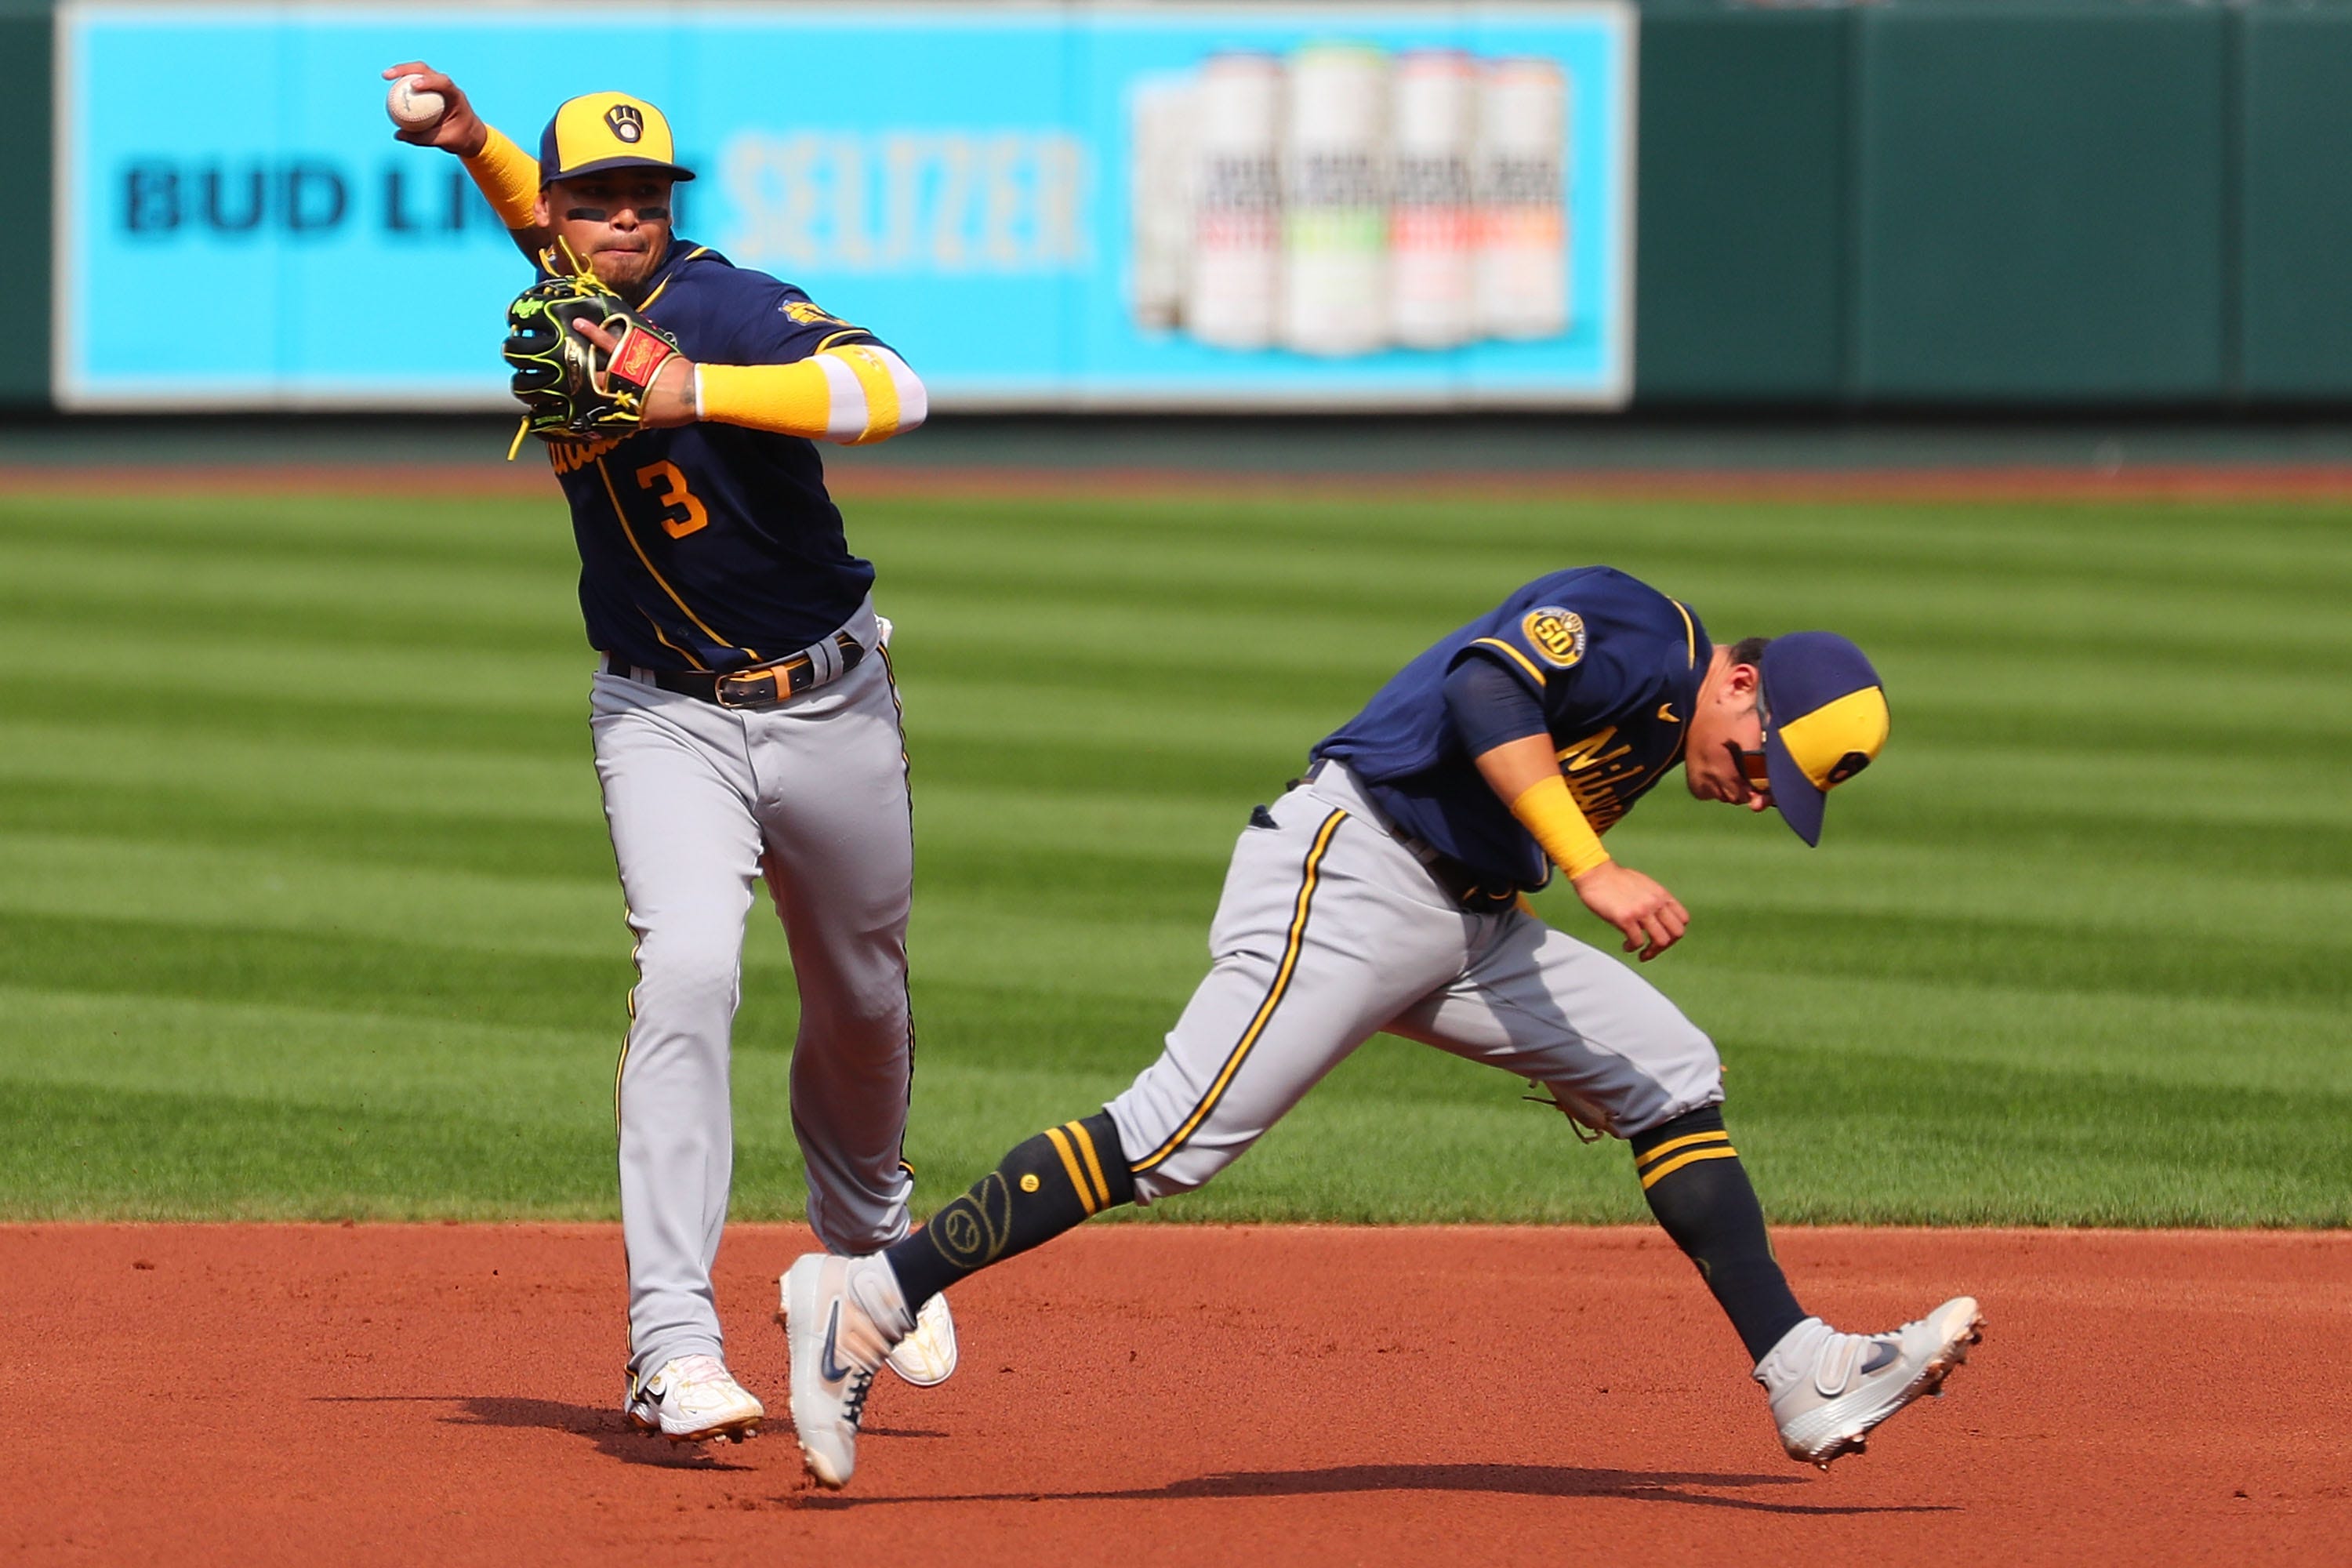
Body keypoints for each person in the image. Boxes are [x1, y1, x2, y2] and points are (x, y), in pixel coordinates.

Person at [776, 566, 1982, 1488]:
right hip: (1352, 873)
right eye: (1771, 764)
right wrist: (1597, 868)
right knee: (1171, 1139)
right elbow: (1482, 685)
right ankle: (871, 1299)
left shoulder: (1672, 721)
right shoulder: (1640, 628)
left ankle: (1803, 1369)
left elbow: (1500, 818)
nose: (1762, 793)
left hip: (1465, 921)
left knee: (1665, 1070)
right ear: (1743, 683)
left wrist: (1555, 1040)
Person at [384, 66, 956, 1443]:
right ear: (563, 215)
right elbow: (536, 211)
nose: (624, 221)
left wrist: (698, 389)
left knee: (864, 997)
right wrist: (470, 143)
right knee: (690, 968)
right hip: (660, 716)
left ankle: (871, 1232)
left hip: (830, 702)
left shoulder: (721, 300)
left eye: (647, 196)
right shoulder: (570, 284)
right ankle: (670, 1341)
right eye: (597, 201)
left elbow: (897, 390)